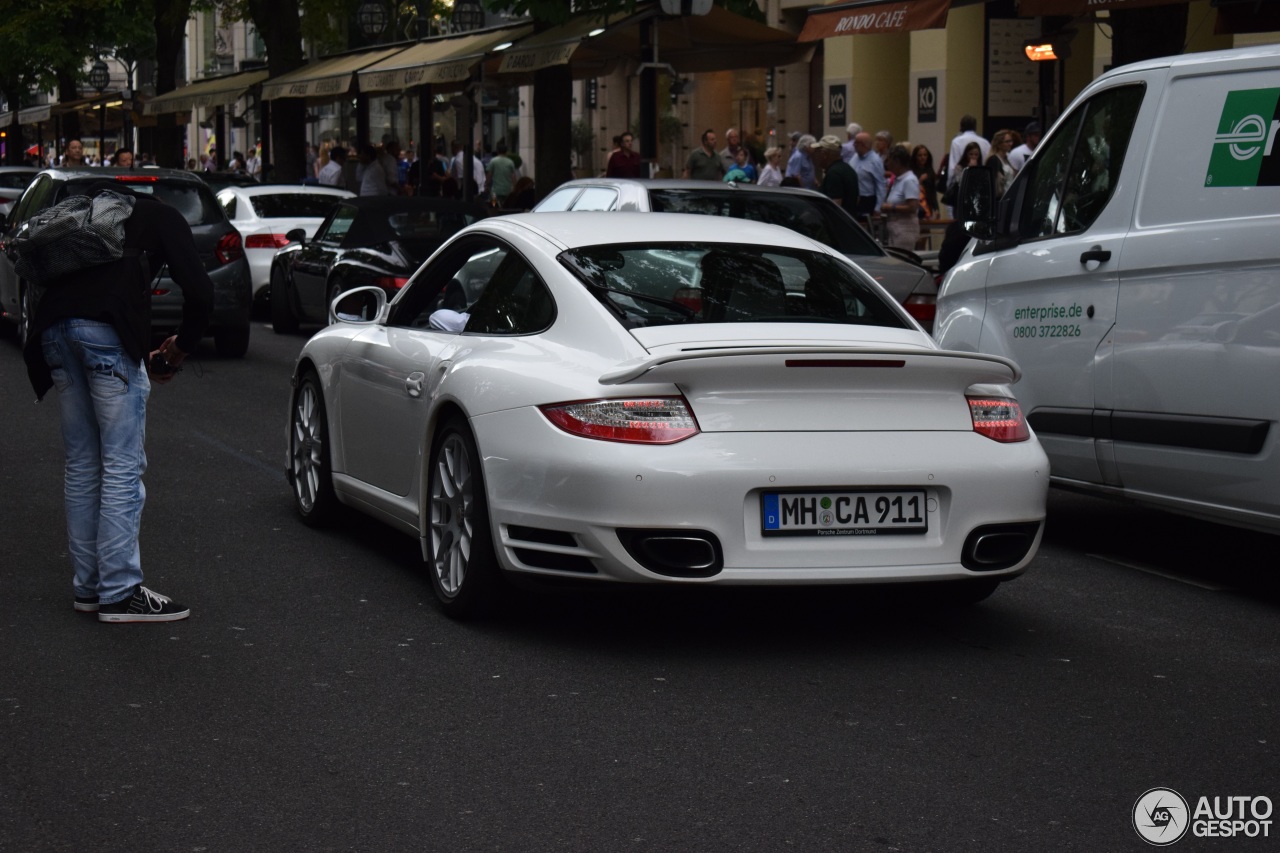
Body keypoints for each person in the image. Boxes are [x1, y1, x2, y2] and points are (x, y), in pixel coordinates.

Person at [23, 179, 215, 622]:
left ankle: (88, 587)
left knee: (82, 463)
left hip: (54, 333)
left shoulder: (83, 215)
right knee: (122, 463)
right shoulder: (163, 217)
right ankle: (119, 590)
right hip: (106, 334)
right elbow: (201, 293)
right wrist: (180, 349)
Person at [880, 145, 920, 251]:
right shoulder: (898, 179)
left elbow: (912, 207)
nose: (887, 164)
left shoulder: (909, 180)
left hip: (904, 231)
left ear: (897, 161)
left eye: (889, 160)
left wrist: (890, 207)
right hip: (894, 229)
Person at [809, 135, 859, 211]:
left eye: (818, 152)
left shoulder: (834, 174)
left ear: (824, 154)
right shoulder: (848, 169)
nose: (816, 156)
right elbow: (857, 199)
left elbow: (834, 206)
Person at [849, 131, 887, 221]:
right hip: (854, 199)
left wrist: (878, 208)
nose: (853, 145)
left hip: (867, 201)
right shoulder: (854, 157)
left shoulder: (875, 161)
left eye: (856, 143)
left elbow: (880, 185)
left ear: (863, 145)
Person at [947, 115, 990, 190]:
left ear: (961, 126)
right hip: (981, 183)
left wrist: (949, 184)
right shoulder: (985, 143)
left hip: (962, 184)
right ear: (975, 127)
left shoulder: (956, 142)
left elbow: (953, 166)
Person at [986, 129, 1019, 198]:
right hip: (1000, 199)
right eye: (1007, 141)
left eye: (1011, 141)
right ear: (999, 144)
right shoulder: (993, 160)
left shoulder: (1007, 158)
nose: (1011, 144)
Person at [912, 144, 939, 223]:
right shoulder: (911, 172)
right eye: (920, 155)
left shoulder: (930, 172)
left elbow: (933, 192)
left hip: (928, 205)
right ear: (915, 157)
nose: (923, 157)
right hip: (916, 205)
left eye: (925, 155)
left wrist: (936, 208)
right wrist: (919, 181)